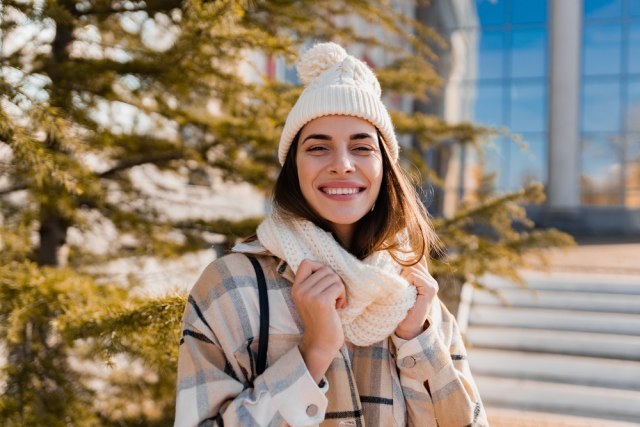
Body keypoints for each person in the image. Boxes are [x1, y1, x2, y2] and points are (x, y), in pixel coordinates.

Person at [174, 42, 487, 427]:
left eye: (361, 147)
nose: (342, 165)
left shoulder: (414, 294)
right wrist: (313, 353)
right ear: (294, 169)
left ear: (384, 168)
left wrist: (416, 340)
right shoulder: (231, 288)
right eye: (318, 147)